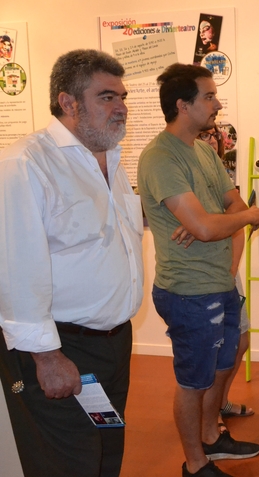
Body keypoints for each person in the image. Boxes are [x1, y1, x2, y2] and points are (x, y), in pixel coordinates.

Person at [0, 49, 144, 477]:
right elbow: (14, 268)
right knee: (69, 462)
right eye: (106, 97)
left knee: (106, 452)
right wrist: (47, 358)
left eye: (122, 97)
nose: (120, 107)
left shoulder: (110, 160)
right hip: (60, 348)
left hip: (113, 345)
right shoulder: (26, 163)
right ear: (68, 102)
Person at [138, 63, 259, 477]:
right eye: (209, 96)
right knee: (194, 381)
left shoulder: (205, 150)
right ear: (182, 105)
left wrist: (217, 220)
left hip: (220, 281)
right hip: (188, 291)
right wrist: (229, 219)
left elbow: (229, 210)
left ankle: (212, 436)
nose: (217, 104)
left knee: (223, 365)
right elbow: (216, 224)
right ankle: (195, 464)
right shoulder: (160, 157)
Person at [196, 125, 254, 426]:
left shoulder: (221, 178)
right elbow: (204, 226)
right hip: (203, 275)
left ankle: (221, 402)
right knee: (212, 349)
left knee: (240, 340)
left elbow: (238, 225)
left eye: (214, 135)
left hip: (228, 273)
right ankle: (208, 415)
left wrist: (231, 272)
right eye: (203, 135)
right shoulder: (190, 177)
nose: (210, 140)